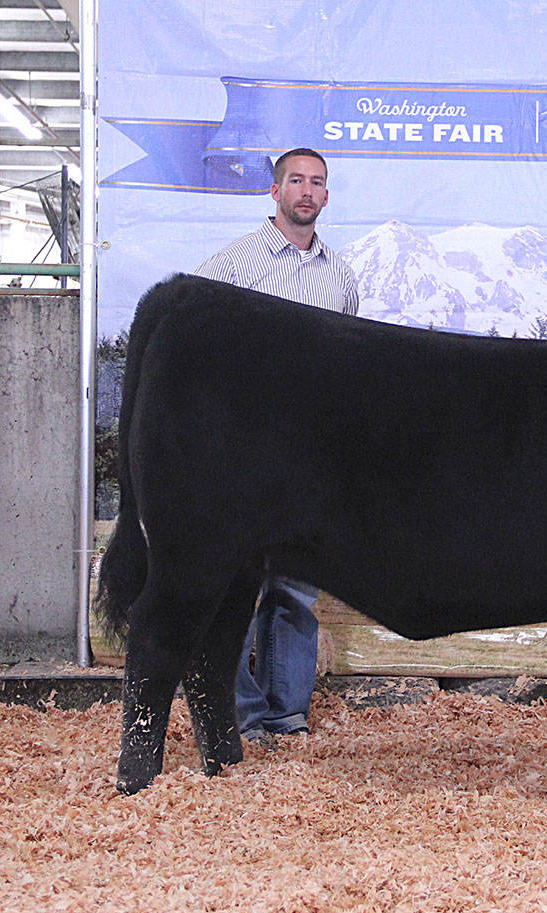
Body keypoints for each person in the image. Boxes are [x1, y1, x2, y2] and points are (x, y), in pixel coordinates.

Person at [195, 147, 359, 742]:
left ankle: (286, 715)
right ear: (275, 191)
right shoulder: (234, 264)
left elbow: (347, 371)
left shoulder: (341, 277)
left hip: (310, 456)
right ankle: (241, 712)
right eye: (296, 180)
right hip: (244, 449)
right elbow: (198, 337)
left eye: (317, 182)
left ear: (326, 194)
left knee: (294, 590)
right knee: (237, 583)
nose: (307, 191)